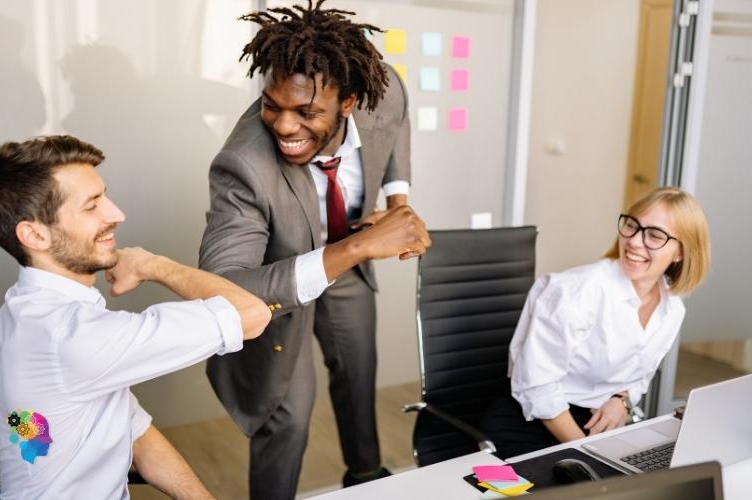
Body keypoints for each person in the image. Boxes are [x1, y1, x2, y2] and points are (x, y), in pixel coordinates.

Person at [198, 1, 431, 498]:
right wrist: (364, 245)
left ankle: (365, 477)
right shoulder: (243, 166)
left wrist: (398, 203)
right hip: (276, 287)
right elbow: (225, 285)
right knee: (289, 415)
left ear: (348, 102)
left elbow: (398, 128)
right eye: (272, 105)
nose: (283, 126)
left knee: (358, 374)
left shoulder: (380, 91)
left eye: (305, 112)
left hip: (348, 263)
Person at [0, 135, 272, 498]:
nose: (116, 214)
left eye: (105, 196)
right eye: (91, 206)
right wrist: (154, 265)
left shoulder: (24, 307)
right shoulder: (71, 338)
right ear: (35, 235)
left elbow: (135, 430)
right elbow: (252, 314)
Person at [481, 187, 710, 458]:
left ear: (681, 252)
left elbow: (640, 375)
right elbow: (537, 387)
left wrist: (621, 401)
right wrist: (590, 454)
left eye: (655, 235)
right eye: (632, 226)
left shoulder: (671, 310)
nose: (635, 242)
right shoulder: (576, 292)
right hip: (532, 423)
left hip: (594, 425)